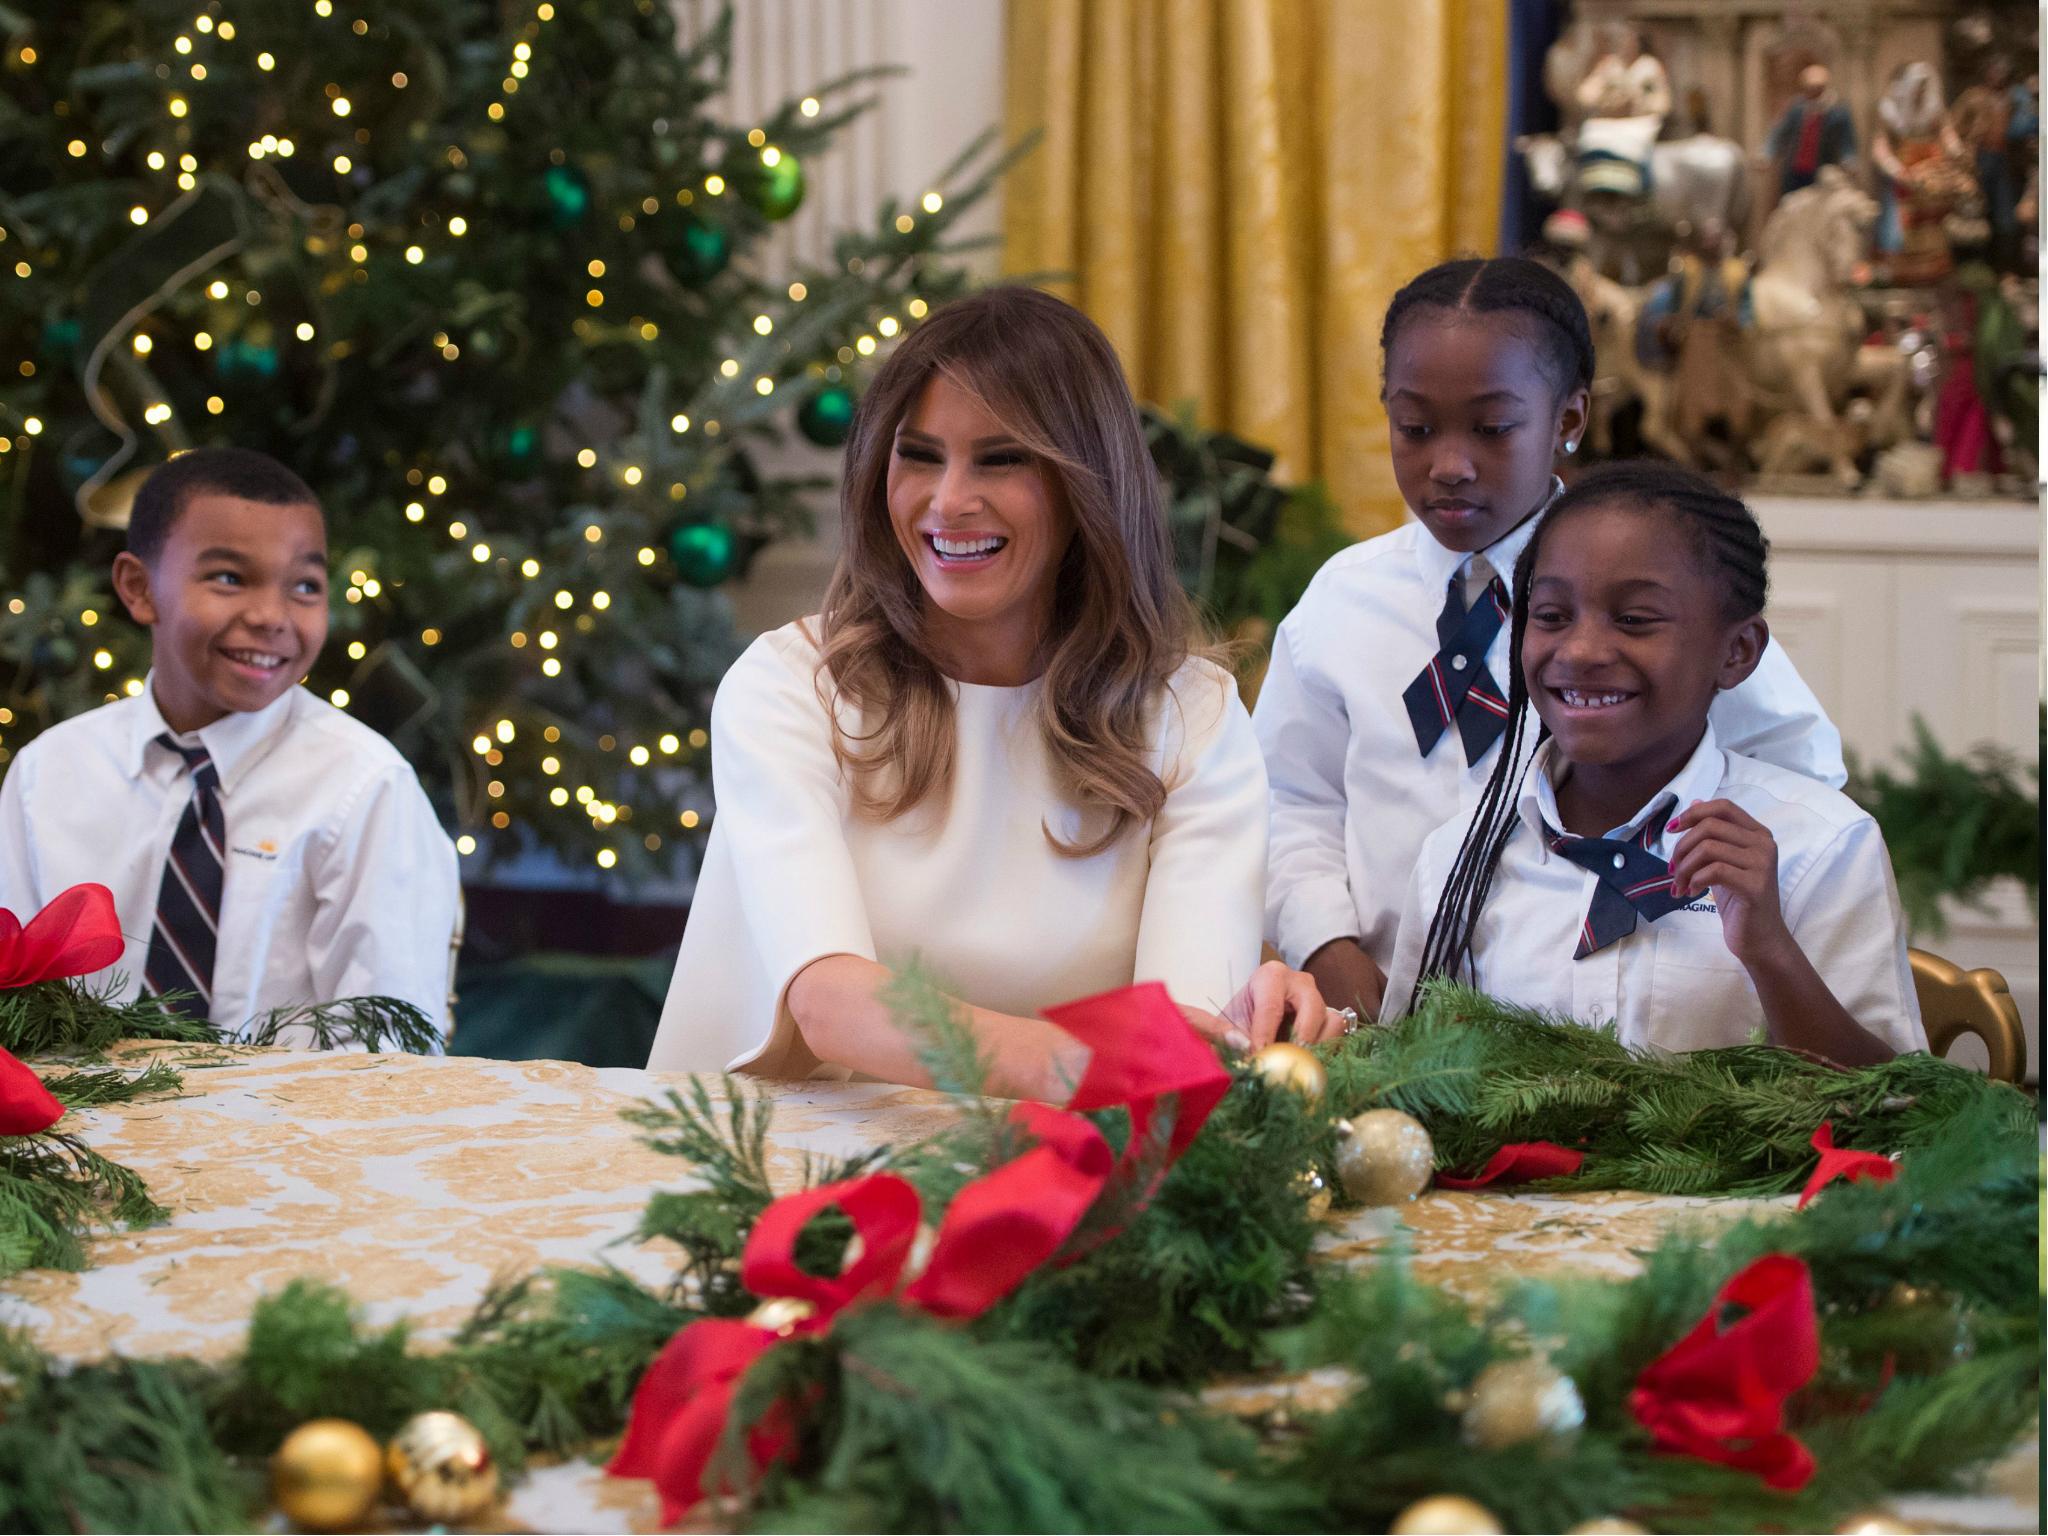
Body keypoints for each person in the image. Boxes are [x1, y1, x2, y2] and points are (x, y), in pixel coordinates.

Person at [648, 287, 1333, 1097]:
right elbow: (830, 1003)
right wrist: (1100, 1060)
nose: (948, 502)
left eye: (1002, 459)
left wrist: (1165, 1052)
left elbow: (1189, 1042)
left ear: (1088, 486)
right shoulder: (790, 686)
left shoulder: (1194, 716)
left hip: (1074, 1174)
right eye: (920, 454)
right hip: (772, 1161)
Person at [1253, 258, 1844, 1022]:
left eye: (1493, 429)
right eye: (1415, 428)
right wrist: (1325, 946)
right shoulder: (1343, 602)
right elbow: (1290, 801)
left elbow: (1798, 779)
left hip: (1603, 1031)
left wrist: (1664, 897)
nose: (1451, 465)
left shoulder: (1657, 590)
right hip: (1382, 1026)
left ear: (1568, 421)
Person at [1382, 462, 1925, 1064]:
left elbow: (1898, 1111)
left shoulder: (1820, 850)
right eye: (1552, 616)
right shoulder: (1459, 860)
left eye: (1635, 620)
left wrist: (1769, 950)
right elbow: (1405, 1090)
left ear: (1737, 652)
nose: (1582, 651)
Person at [0, 448, 459, 1042]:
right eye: (229, 578)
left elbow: (391, 1056)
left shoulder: (365, 789)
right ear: (139, 589)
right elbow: (13, 1007)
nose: (271, 615)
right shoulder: (50, 774)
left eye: (304, 586)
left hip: (296, 1132)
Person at [1766, 64, 1858, 199]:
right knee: (1792, 202)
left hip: (1822, 168)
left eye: (1815, 88)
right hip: (1795, 168)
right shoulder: (1797, 107)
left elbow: (1847, 141)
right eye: (1808, 88)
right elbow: (1780, 132)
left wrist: (1849, 160)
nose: (1811, 92)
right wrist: (1768, 153)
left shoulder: (1838, 111)